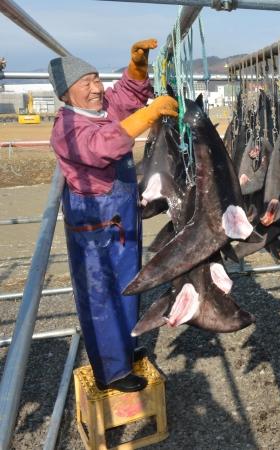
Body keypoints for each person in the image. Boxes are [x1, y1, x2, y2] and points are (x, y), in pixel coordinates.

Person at [48, 39, 178, 392]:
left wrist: (137, 66)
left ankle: (125, 346)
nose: (95, 89)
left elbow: (125, 95)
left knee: (128, 286)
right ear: (66, 94)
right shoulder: (67, 128)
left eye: (95, 79)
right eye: (85, 84)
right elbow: (103, 147)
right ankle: (113, 372)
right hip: (95, 227)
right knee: (101, 297)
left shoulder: (102, 108)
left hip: (121, 220)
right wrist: (149, 115)